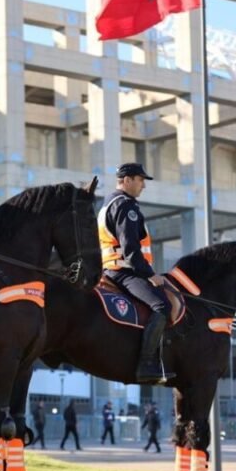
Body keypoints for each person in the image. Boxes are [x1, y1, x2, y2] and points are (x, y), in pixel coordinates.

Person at [98, 163, 175, 385]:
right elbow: (131, 250)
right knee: (162, 306)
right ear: (127, 180)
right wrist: (151, 275)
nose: (143, 185)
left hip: (112, 269)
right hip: (125, 272)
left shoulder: (108, 204)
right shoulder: (126, 207)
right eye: (140, 180)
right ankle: (147, 364)